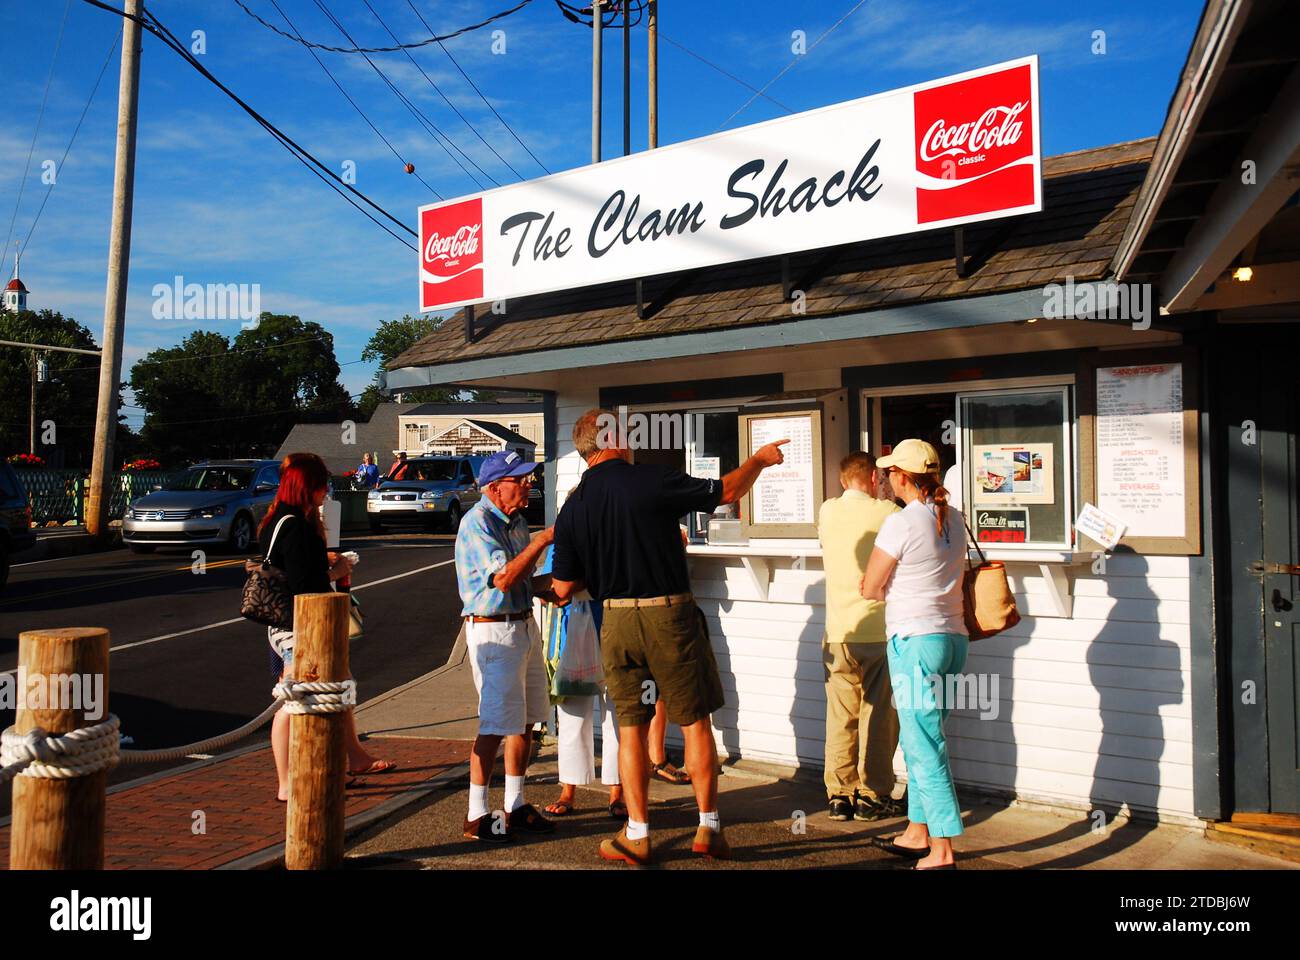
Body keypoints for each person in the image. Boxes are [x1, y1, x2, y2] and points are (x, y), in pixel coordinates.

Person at [549, 408, 787, 865]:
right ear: (612, 439)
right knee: (695, 719)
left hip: (615, 619)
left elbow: (563, 587)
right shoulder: (652, 480)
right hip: (668, 614)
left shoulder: (574, 505)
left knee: (631, 728)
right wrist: (758, 459)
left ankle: (637, 833)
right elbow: (729, 491)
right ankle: (708, 828)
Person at [262, 452, 395, 803]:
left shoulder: (280, 518)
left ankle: (349, 759)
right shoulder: (295, 525)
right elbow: (305, 584)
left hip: (295, 625)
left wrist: (328, 563)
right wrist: (334, 572)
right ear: (310, 486)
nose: (326, 492)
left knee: (339, 688)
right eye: (322, 485)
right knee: (293, 702)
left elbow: (298, 570)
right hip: (299, 627)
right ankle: (288, 782)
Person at [859, 439, 968, 870]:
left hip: (914, 642)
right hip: (953, 641)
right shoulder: (955, 518)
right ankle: (916, 830)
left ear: (903, 477)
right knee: (921, 738)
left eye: (889, 473)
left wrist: (877, 588)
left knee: (924, 745)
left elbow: (870, 586)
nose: (885, 479)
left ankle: (942, 849)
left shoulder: (902, 523)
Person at [454, 449, 556, 843]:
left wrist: (554, 588)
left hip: (520, 626)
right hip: (493, 632)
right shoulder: (476, 523)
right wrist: (543, 540)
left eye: (529, 477)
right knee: (495, 725)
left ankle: (514, 803)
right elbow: (503, 578)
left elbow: (523, 580)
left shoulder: (514, 522)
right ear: (495, 487)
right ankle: (476, 813)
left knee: (525, 720)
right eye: (521, 479)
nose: (529, 484)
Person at [818, 451, 904, 823]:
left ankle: (839, 795)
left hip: (838, 633)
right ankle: (872, 795)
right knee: (879, 717)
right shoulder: (890, 514)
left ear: (841, 480)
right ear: (874, 478)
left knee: (841, 717)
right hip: (879, 629)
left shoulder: (827, 511)